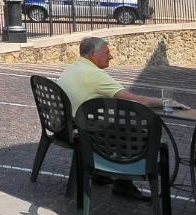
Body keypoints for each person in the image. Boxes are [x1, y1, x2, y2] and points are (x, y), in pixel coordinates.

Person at [56, 37, 162, 199]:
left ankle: (101, 175)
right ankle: (123, 183)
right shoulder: (96, 75)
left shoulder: (73, 68)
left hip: (65, 127)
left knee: (118, 124)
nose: (111, 56)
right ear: (92, 55)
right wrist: (166, 102)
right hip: (85, 132)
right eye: (106, 53)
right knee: (138, 133)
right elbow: (135, 100)